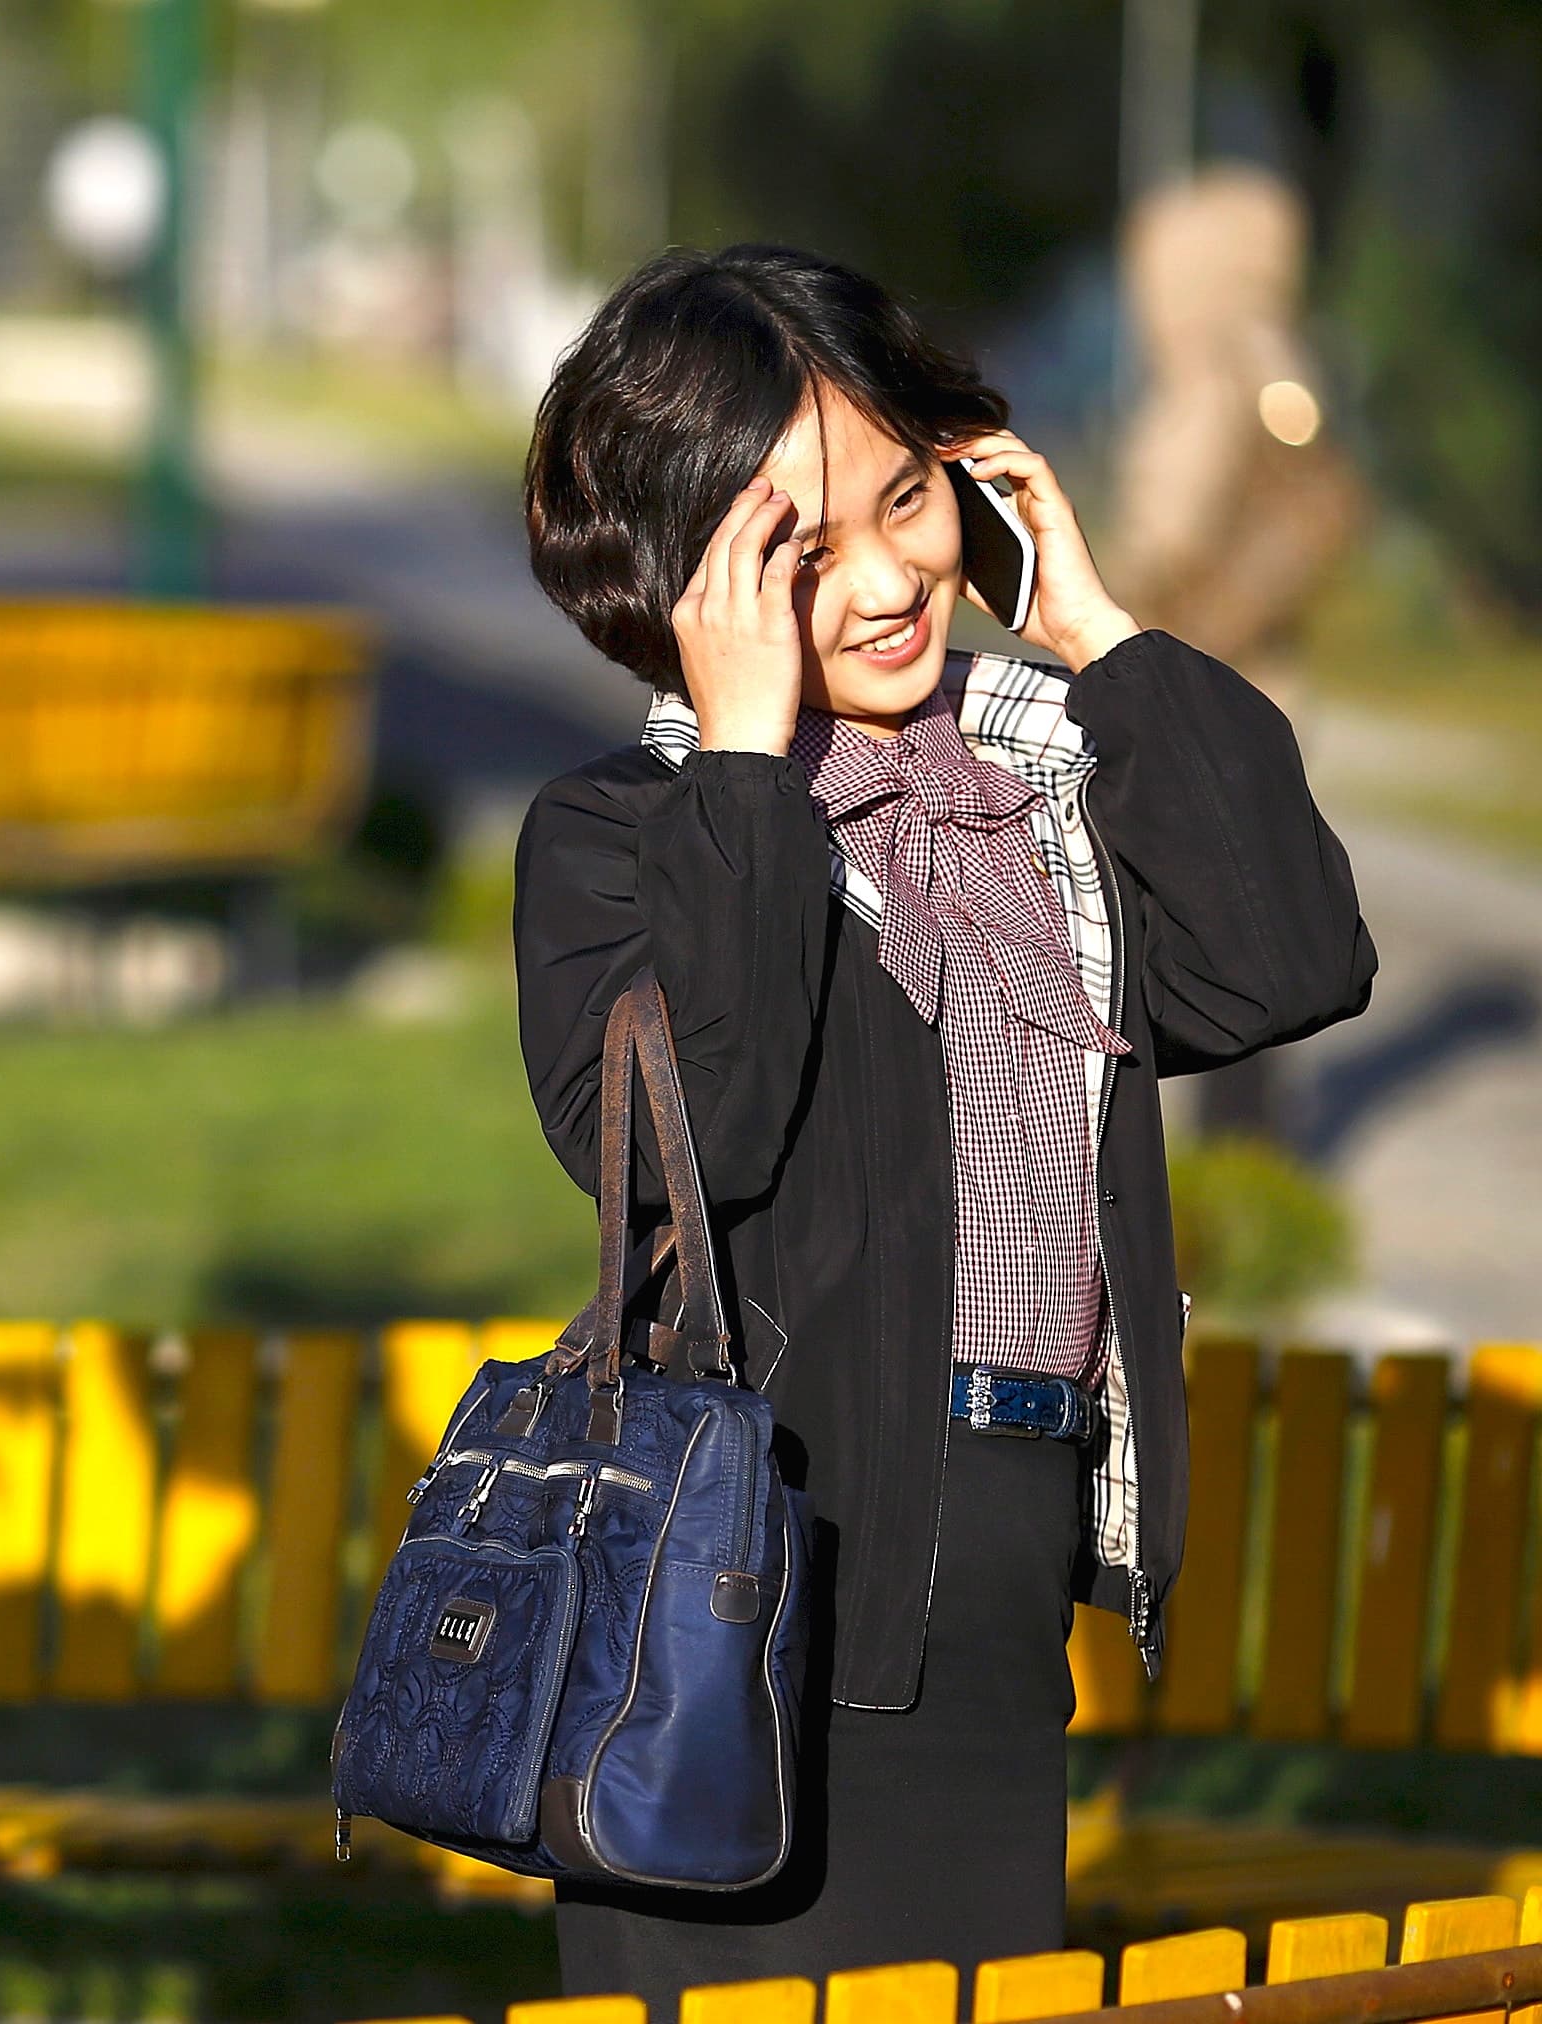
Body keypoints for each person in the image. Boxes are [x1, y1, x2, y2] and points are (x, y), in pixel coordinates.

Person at [511, 245, 1372, 2003]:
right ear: (690, 584)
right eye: (797, 551)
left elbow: (1288, 963)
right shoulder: (624, 837)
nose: (889, 576)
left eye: (907, 498)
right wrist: (753, 766)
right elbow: (712, 1127)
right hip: (740, 1598)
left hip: (995, 1571)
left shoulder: (1036, 795)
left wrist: (1095, 632)